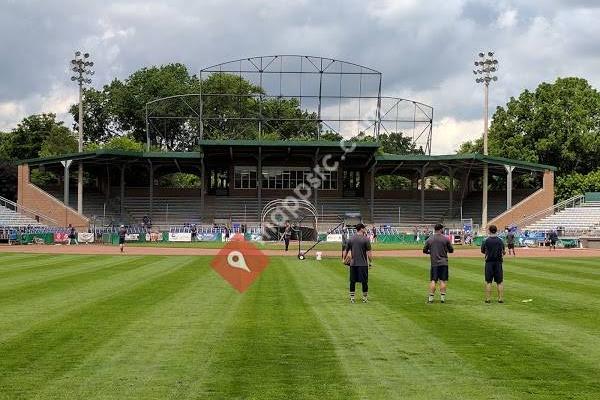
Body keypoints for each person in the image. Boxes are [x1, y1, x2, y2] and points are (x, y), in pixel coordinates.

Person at [423, 223, 454, 304]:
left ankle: (430, 299)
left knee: (433, 280)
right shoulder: (445, 239)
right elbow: (451, 250)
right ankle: (442, 299)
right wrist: (445, 250)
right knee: (443, 281)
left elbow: (424, 250)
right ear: (440, 229)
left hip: (434, 263)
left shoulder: (430, 239)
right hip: (444, 262)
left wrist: (430, 252)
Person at [342, 223, 372, 304]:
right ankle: (364, 298)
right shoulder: (366, 239)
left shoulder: (351, 239)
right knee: (364, 282)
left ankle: (352, 298)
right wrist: (370, 262)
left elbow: (346, 250)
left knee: (352, 281)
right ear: (361, 229)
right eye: (364, 228)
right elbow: (369, 252)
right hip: (363, 264)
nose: (365, 229)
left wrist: (343, 259)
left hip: (353, 264)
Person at [481, 225, 506, 303]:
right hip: (498, 262)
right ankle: (500, 299)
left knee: (488, 281)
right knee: (499, 281)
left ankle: (488, 299)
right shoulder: (500, 240)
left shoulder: (485, 240)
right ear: (496, 230)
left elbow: (482, 250)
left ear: (489, 231)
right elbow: (503, 251)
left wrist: (489, 253)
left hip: (489, 262)